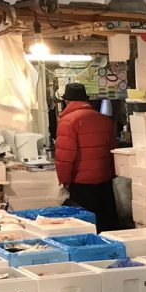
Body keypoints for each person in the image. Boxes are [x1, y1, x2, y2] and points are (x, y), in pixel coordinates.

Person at [54, 83, 119, 231]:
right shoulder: (104, 120)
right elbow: (113, 150)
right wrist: (111, 174)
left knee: (85, 228)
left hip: (81, 186)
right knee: (108, 229)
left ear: (66, 101)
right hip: (105, 184)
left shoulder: (68, 121)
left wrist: (64, 181)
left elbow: (65, 156)